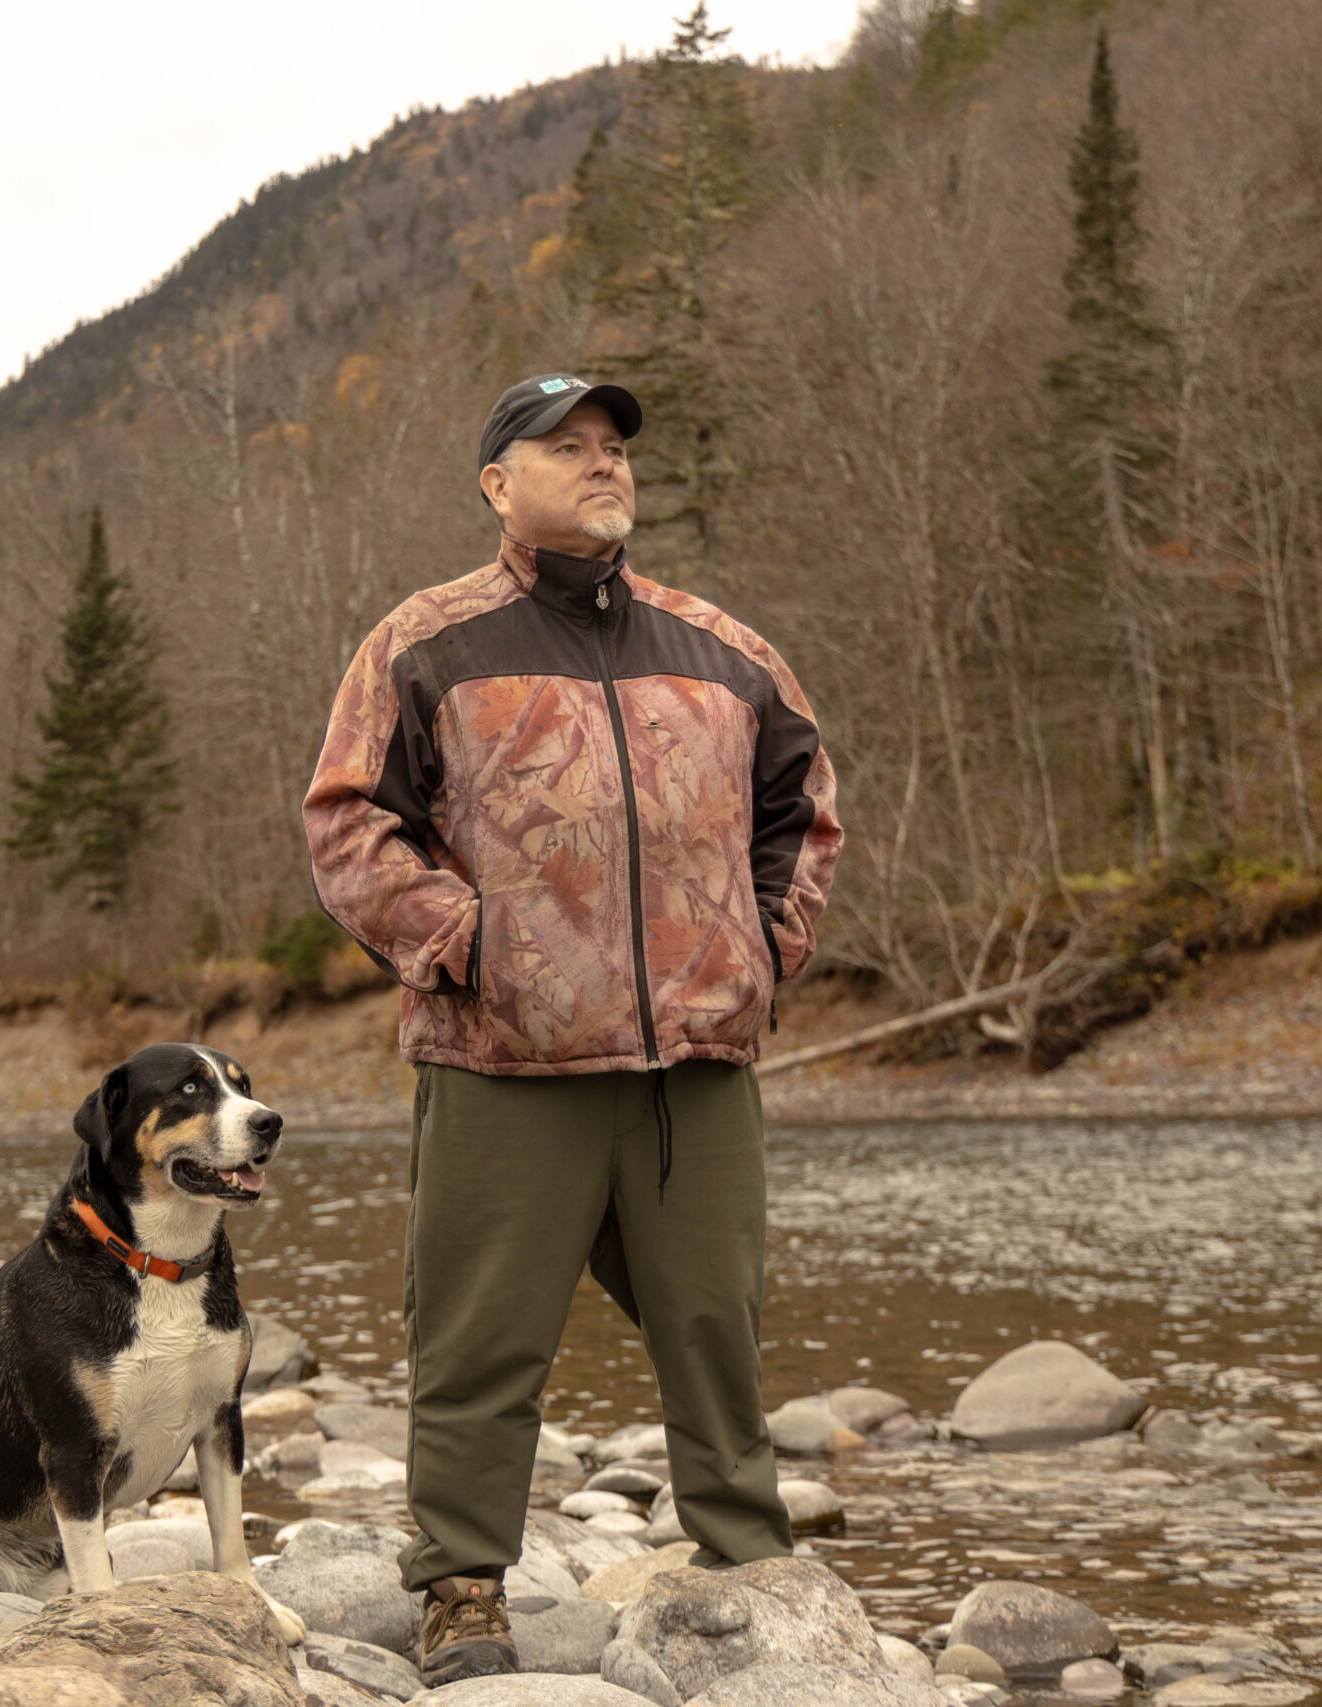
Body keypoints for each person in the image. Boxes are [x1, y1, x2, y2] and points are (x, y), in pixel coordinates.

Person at [301, 373, 844, 1686]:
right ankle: (462, 1592)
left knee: (718, 1330)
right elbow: (349, 825)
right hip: (505, 1065)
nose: (604, 466)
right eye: (568, 448)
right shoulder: (425, 645)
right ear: (500, 484)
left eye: (615, 449)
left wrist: (766, 951)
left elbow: (805, 811)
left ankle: (750, 1571)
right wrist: (468, 946)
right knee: (478, 1341)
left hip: (696, 1073)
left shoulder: (727, 650)